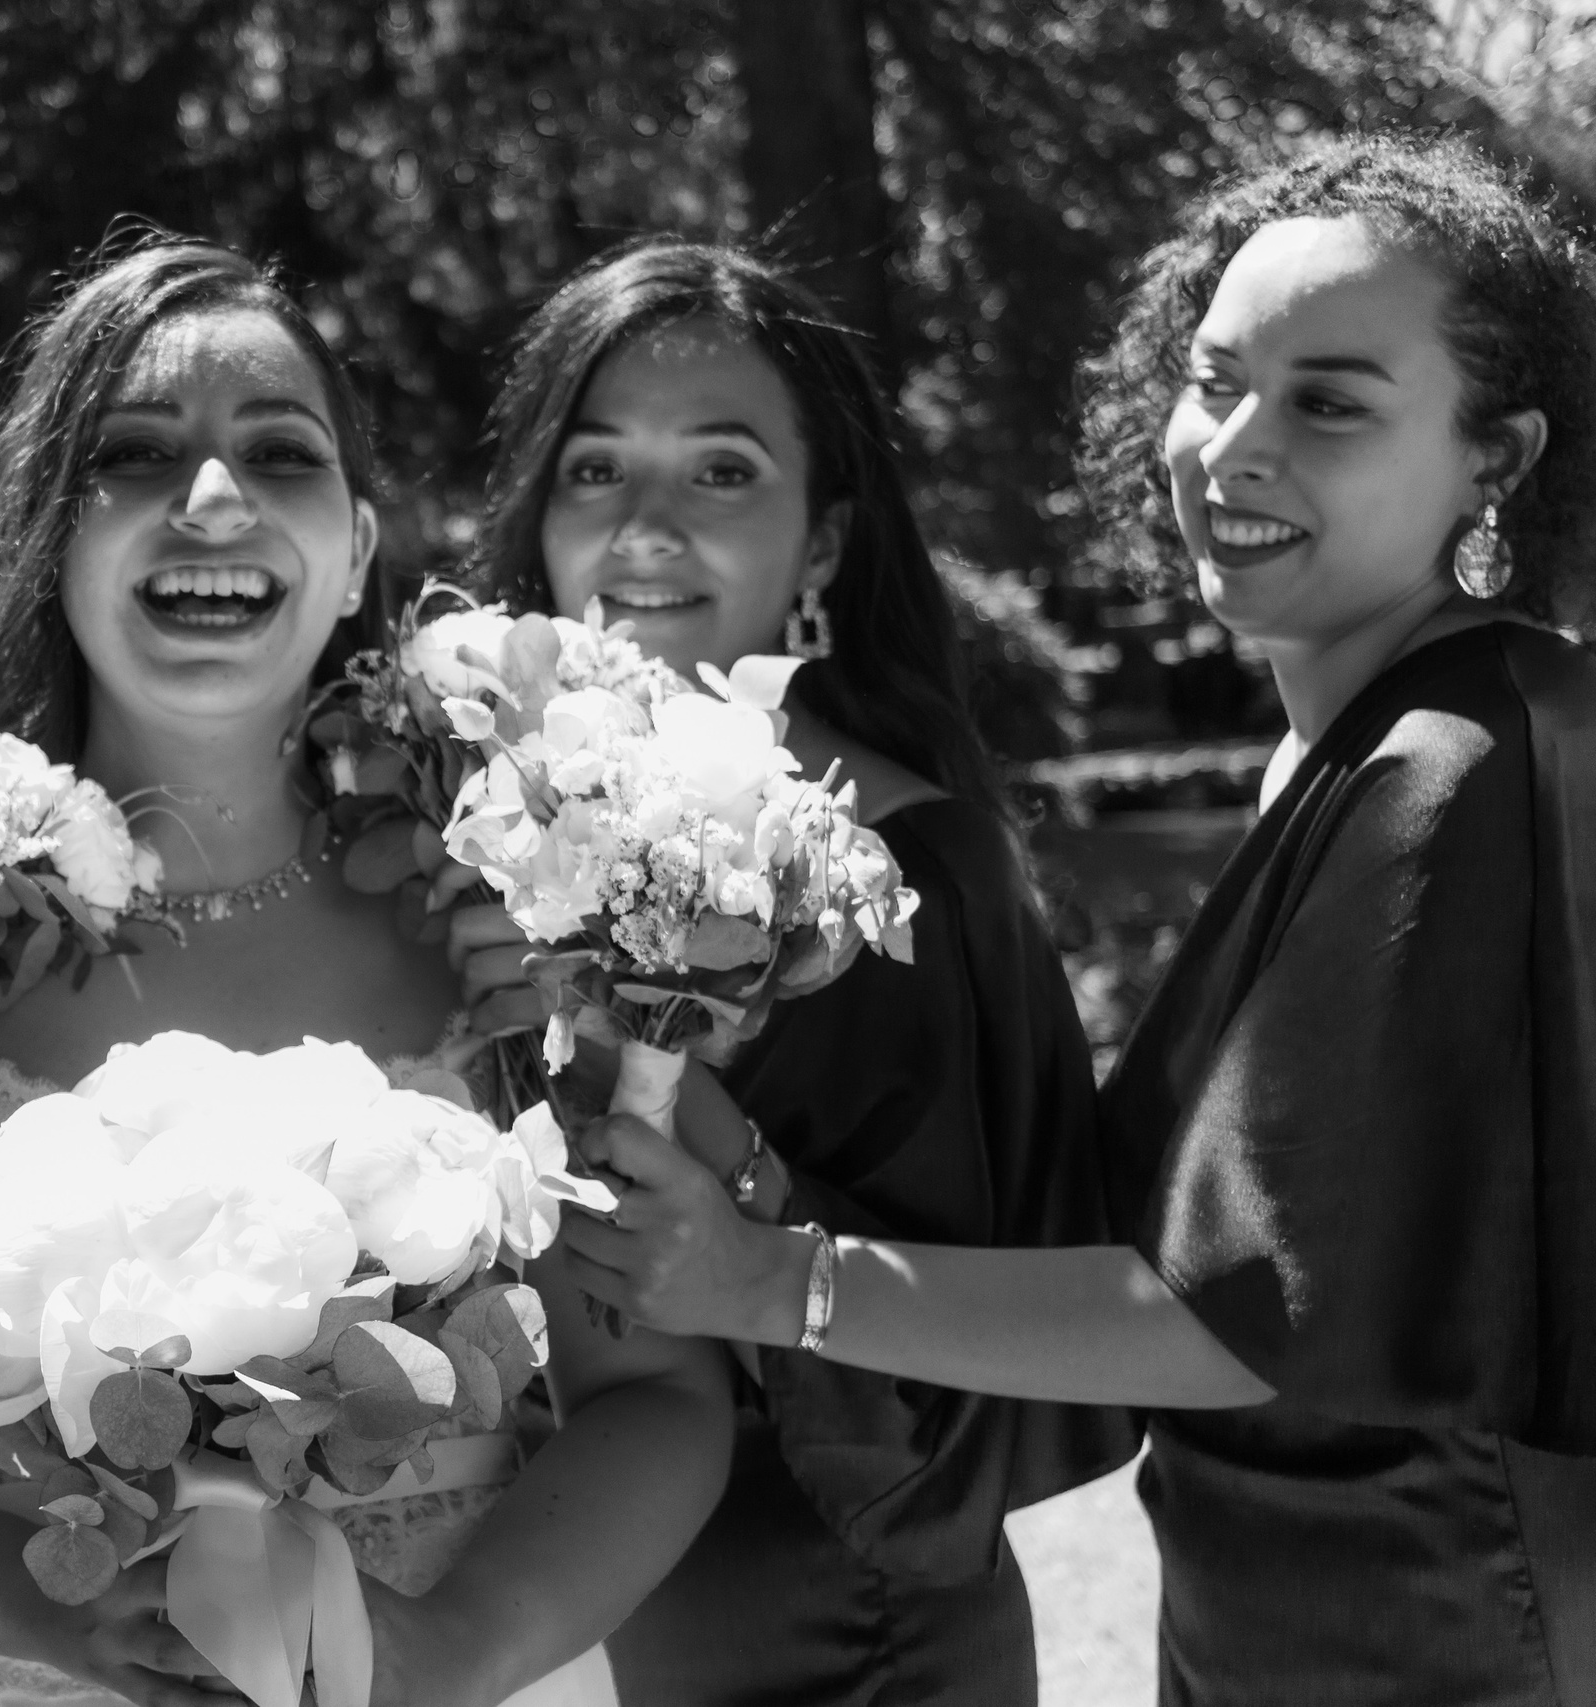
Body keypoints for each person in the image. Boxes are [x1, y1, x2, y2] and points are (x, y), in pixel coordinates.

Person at [557, 139, 1596, 1706]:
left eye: (1330, 402)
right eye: (1214, 378)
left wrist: (776, 1279)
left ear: (1496, 455)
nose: (1231, 449)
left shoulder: (1448, 769)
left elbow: (1228, 1313)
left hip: (1424, 1633)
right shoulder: (1388, 737)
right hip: (1316, 1607)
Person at [0, 237, 737, 1707]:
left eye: (279, 452)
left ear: (357, 547)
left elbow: (660, 1393)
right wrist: (1, 1596)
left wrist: (459, 1646)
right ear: (46, 535)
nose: (210, 500)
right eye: (135, 453)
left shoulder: (513, 921)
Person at [446, 236, 1138, 1704]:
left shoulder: (896, 876)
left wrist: (712, 1141)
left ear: (823, 542)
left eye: (721, 471)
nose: (644, 525)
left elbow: (947, 1429)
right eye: (594, 468)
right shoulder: (464, 823)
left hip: (826, 1645)